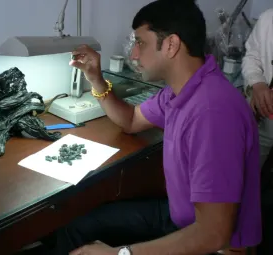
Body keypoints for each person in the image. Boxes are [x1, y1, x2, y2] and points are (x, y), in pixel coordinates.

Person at [52, 0, 261, 254]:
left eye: (140, 43)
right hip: (182, 218)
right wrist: (96, 78)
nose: (133, 55)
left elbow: (213, 234)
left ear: (171, 45)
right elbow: (130, 120)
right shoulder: (182, 89)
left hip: (214, 244)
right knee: (80, 227)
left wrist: (120, 254)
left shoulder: (212, 112)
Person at [242, 8, 273, 168]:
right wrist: (257, 83)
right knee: (248, 171)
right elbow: (252, 56)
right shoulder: (268, 19)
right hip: (262, 120)